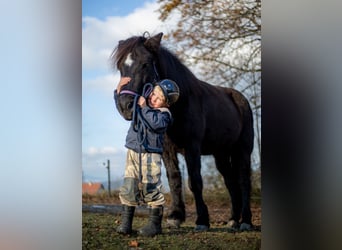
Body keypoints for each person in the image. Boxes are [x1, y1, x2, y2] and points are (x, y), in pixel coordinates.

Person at [113, 77, 180, 237]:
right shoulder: (143, 106)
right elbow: (125, 111)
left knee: (151, 187)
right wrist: (118, 91)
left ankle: (154, 224)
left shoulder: (164, 114)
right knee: (129, 186)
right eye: (154, 94)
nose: (153, 98)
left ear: (167, 104)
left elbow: (155, 124)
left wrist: (144, 107)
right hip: (133, 151)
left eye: (159, 98)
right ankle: (126, 223)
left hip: (150, 154)